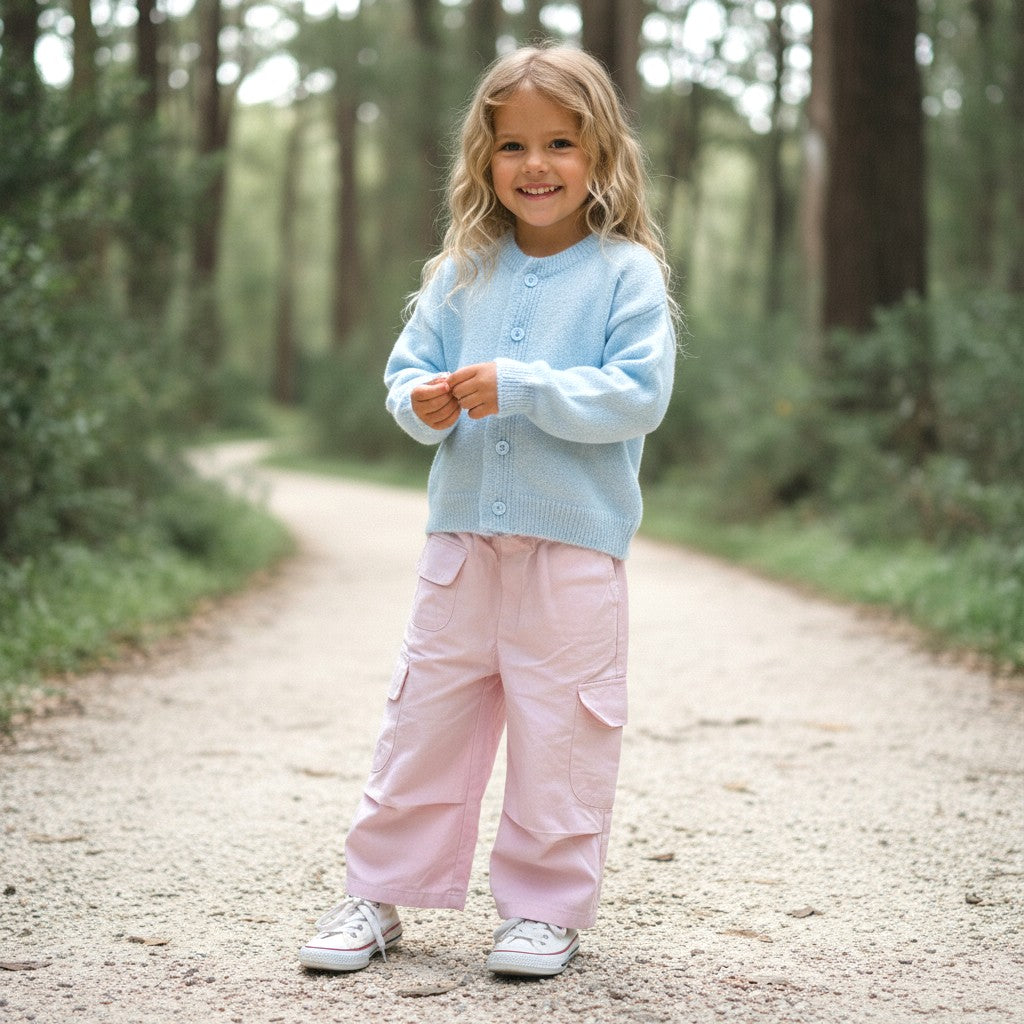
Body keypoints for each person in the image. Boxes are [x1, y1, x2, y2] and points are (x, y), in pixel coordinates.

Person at [299, 43, 677, 979]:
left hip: (573, 552)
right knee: (424, 717)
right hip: (461, 547)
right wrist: (418, 404)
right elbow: (404, 378)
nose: (536, 165)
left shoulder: (624, 274)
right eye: (513, 146)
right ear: (484, 158)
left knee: (564, 729)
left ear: (601, 156)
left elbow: (639, 397)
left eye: (561, 143)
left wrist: (524, 386)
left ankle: (544, 910)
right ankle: (377, 895)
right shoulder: (458, 273)